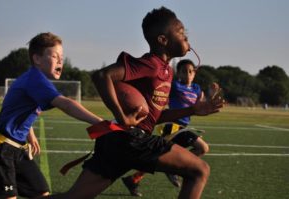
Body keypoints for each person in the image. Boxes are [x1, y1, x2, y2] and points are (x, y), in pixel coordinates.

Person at [46, 7, 224, 199]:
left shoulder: (167, 71)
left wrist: (192, 110)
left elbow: (152, 118)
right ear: (163, 40)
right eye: (181, 33)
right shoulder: (151, 64)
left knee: (73, 197)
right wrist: (122, 117)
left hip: (119, 141)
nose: (186, 37)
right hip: (132, 139)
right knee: (200, 170)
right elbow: (102, 75)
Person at [0, 32, 103, 199]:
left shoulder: (37, 81)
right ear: (37, 59)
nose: (60, 61)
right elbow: (66, 104)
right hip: (1, 148)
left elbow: (22, 111)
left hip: (18, 149)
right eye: (54, 56)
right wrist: (101, 122)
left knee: (41, 192)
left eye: (62, 57)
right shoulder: (35, 80)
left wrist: (30, 135)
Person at [121, 59, 220, 196]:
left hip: (183, 127)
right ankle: (175, 169)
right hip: (171, 125)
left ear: (194, 73)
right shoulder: (174, 85)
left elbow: (201, 106)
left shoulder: (197, 89)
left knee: (159, 156)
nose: (188, 74)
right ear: (178, 73)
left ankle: (133, 179)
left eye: (190, 71)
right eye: (184, 71)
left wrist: (211, 95)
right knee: (202, 148)